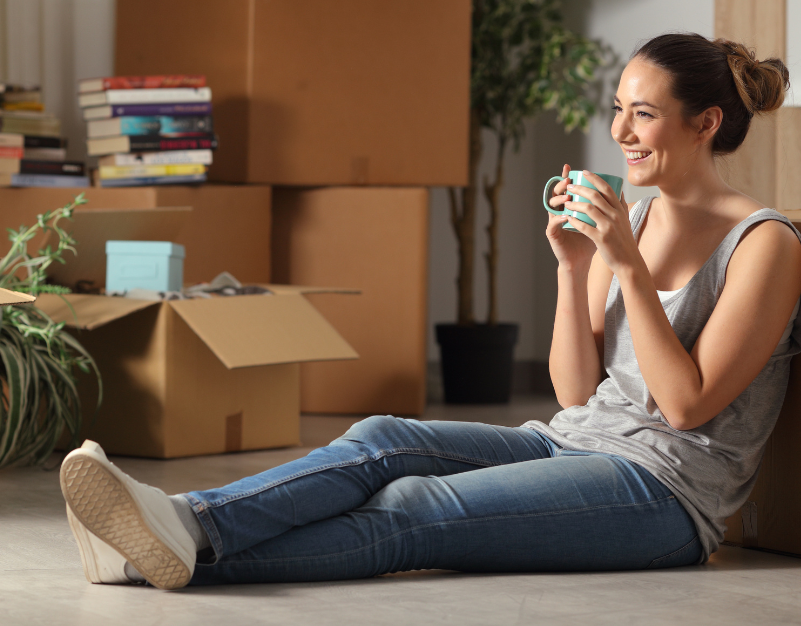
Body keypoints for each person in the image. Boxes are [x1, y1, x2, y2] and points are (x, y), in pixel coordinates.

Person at [60, 32, 801, 590]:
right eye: (617, 110)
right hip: (574, 440)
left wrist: (628, 271)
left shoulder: (764, 244)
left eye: (644, 115)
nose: (621, 135)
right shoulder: (635, 222)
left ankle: (156, 554)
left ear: (705, 124)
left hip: (664, 495)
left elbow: (684, 406)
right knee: (384, 438)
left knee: (417, 508)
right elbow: (576, 394)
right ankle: (182, 524)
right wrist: (571, 271)